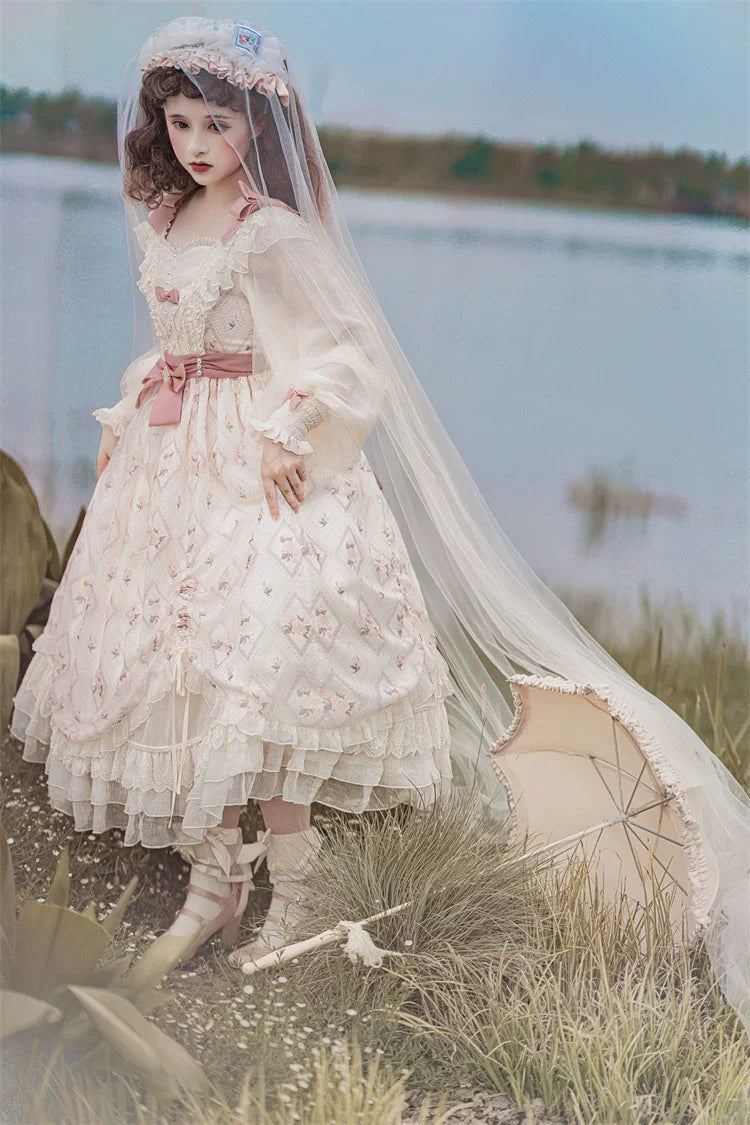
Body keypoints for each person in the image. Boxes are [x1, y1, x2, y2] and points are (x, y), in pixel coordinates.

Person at [9, 14, 749, 1031]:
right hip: (170, 469)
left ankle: (295, 888)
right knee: (172, 668)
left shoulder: (270, 230)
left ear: (257, 127)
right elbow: (174, 338)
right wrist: (132, 401)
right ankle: (211, 883)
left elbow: (343, 349)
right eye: (178, 121)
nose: (193, 143)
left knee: (257, 666)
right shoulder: (171, 217)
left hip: (259, 460)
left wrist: (288, 426)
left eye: (215, 124)